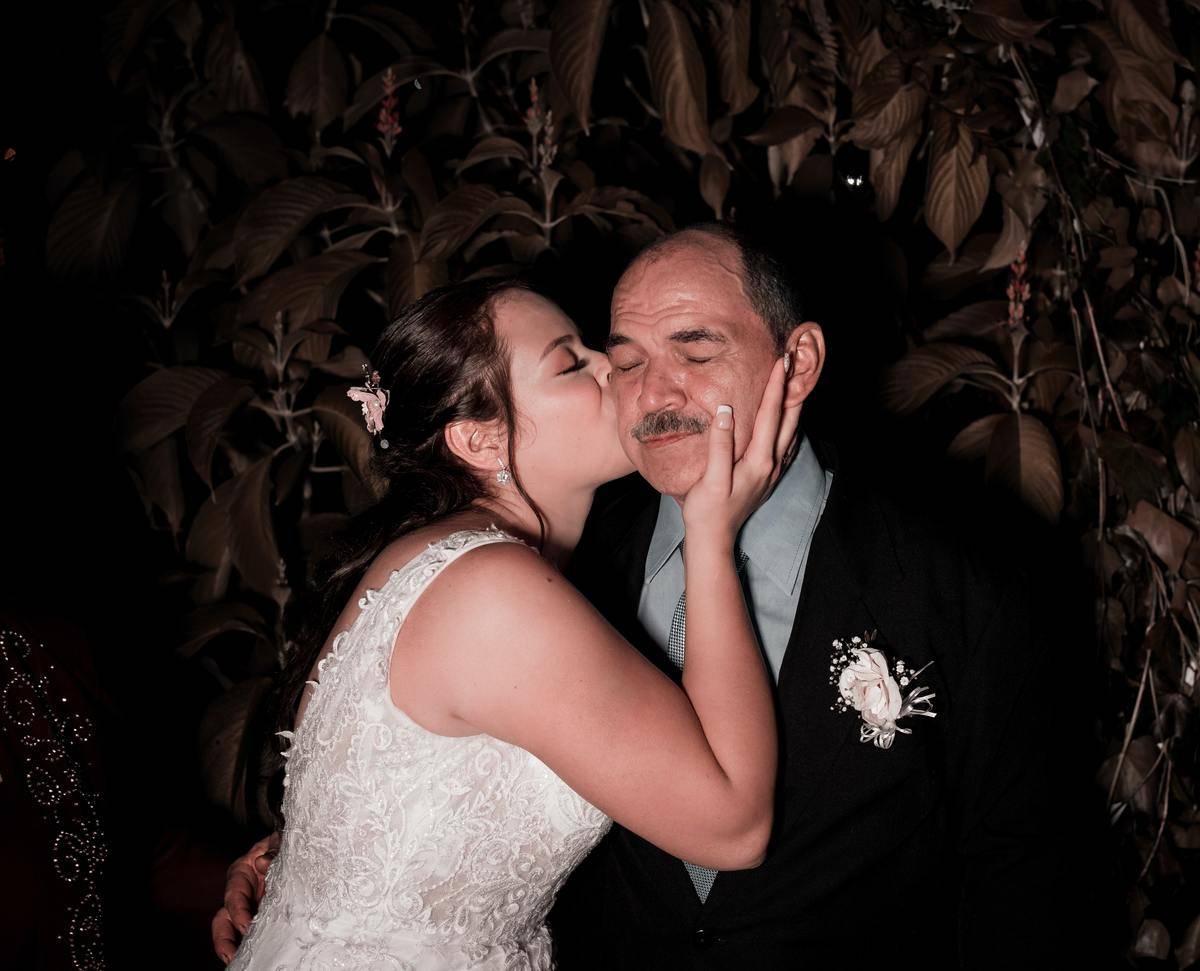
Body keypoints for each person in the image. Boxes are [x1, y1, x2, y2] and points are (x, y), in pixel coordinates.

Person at [218, 225, 1096, 968]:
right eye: (618, 358)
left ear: (798, 363)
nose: (642, 388)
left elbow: (1023, 877)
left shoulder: (963, 580)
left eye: (696, 348)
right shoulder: (552, 568)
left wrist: (307, 874)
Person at [218, 276, 801, 968]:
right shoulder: (491, 591)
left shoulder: (442, 560)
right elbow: (732, 824)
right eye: (571, 362)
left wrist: (289, 871)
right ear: (480, 438)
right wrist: (711, 530)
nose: (611, 366)